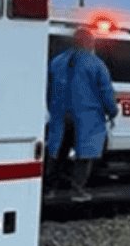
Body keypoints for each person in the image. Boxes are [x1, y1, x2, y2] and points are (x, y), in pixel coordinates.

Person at [46, 27, 117, 202]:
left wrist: (52, 109)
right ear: (88, 43)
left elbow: (48, 89)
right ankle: (78, 191)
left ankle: (49, 189)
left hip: (61, 116)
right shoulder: (96, 64)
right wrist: (112, 111)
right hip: (87, 118)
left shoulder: (57, 62)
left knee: (57, 153)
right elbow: (106, 91)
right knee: (84, 156)